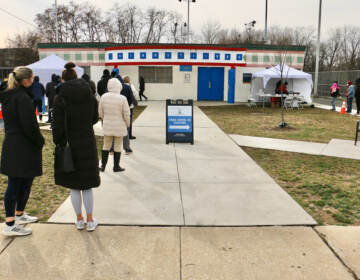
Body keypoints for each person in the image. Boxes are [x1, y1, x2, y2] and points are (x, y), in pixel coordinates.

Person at [52, 62, 100, 232]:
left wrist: (59, 141)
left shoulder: (60, 98)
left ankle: (79, 219)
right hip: (87, 141)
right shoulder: (89, 95)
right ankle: (90, 219)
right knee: (87, 184)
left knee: (74, 185)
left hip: (69, 144)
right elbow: (95, 118)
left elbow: (56, 125)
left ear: (63, 80)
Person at [0, 67, 45, 236]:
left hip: (15, 144)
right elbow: (29, 126)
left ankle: (19, 214)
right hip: (22, 146)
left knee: (24, 181)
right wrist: (40, 141)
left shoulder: (12, 96)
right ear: (25, 80)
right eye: (32, 79)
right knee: (15, 184)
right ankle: (10, 224)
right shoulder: (21, 98)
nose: (33, 82)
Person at [98, 78, 130, 172]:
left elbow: (100, 112)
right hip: (119, 126)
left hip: (107, 125)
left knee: (106, 145)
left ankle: (103, 166)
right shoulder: (122, 98)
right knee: (117, 146)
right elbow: (126, 114)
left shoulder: (103, 97)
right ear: (119, 87)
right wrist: (127, 124)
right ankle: (116, 167)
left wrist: (105, 119)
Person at [120, 76, 137, 154]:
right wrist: (129, 105)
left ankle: (111, 150)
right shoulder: (130, 86)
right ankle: (127, 144)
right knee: (128, 124)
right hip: (128, 107)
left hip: (120, 109)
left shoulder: (120, 87)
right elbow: (134, 94)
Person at [123, 75, 138, 140]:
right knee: (129, 120)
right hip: (130, 106)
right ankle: (129, 135)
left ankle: (123, 134)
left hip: (122, 106)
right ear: (129, 80)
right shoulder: (131, 86)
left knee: (123, 120)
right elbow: (135, 94)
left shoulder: (121, 86)